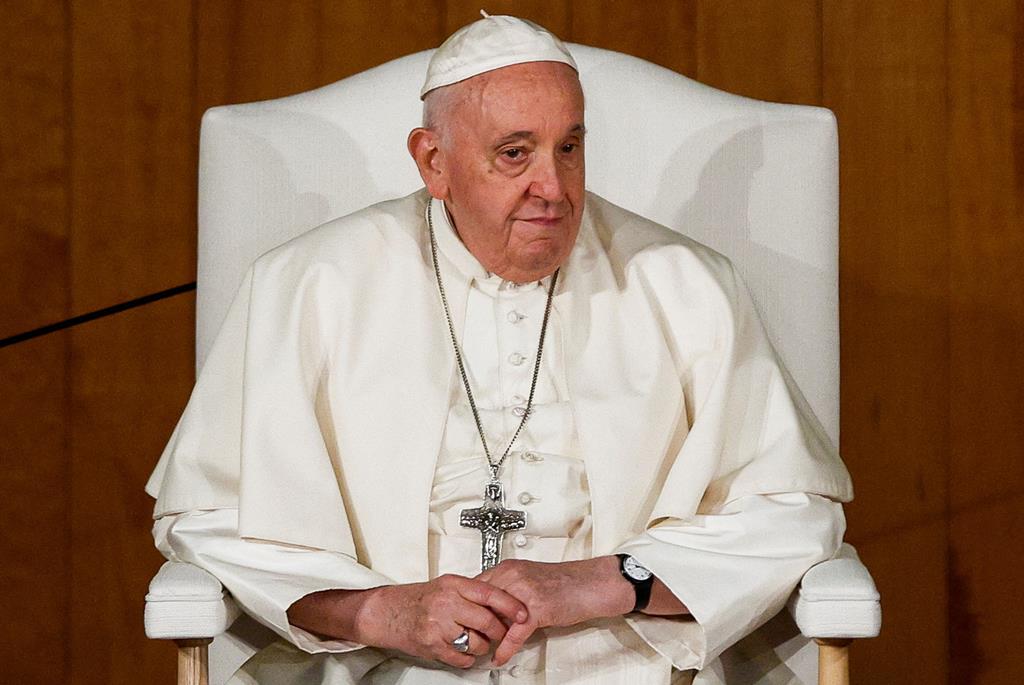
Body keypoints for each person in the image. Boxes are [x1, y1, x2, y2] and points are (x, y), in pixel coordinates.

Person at [146, 14, 852, 685]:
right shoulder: (309, 285)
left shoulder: (687, 284)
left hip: (624, 667)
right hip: (382, 669)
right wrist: (383, 609)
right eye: (515, 154)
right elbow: (211, 517)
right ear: (433, 162)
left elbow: (795, 509)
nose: (553, 188)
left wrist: (607, 581)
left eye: (569, 148)